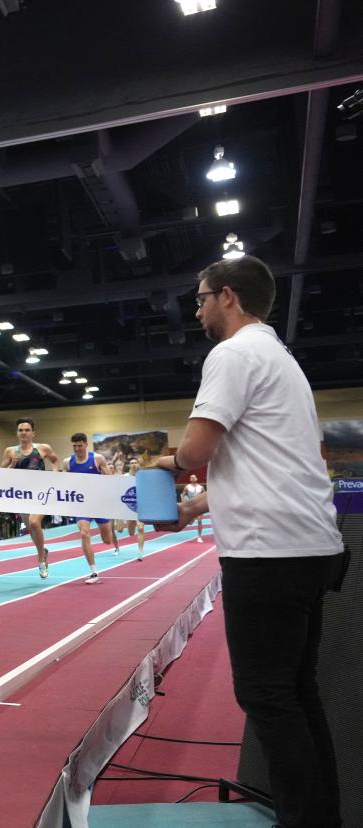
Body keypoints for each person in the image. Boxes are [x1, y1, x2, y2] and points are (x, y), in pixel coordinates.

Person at [152, 256, 346, 828]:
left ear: (229, 297)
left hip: (269, 554)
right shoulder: (282, 360)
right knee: (295, 692)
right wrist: (192, 509)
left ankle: (303, 819)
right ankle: (319, 815)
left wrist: (167, 464)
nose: (197, 308)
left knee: (267, 697)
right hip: (311, 547)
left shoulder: (233, 354)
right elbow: (266, 464)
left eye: (201, 297)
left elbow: (196, 451)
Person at [0, 418, 59, 579]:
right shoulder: (11, 451)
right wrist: (12, 465)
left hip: (41, 493)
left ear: (33, 433)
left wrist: (55, 473)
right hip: (22, 495)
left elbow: (55, 461)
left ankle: (40, 560)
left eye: (27, 430)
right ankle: (43, 551)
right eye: (21, 430)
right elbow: (0, 473)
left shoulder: (43, 448)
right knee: (31, 529)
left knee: (34, 522)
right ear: (17, 433)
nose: (23, 433)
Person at [60, 432, 116, 584]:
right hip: (81, 505)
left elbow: (111, 480)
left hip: (99, 504)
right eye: (74, 446)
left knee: (107, 540)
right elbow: (63, 482)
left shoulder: (97, 459)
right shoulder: (68, 462)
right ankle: (94, 572)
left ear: (86, 444)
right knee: (84, 534)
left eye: (79, 445)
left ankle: (110, 524)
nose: (77, 449)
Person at [182, 473, 206, 542]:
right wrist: (184, 503)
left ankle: (199, 537)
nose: (193, 478)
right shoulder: (187, 487)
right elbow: (183, 495)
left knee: (199, 521)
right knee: (190, 522)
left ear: (196, 478)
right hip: (191, 506)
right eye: (191, 477)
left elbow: (204, 496)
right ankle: (190, 520)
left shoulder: (201, 487)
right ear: (190, 479)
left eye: (194, 477)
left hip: (199, 506)